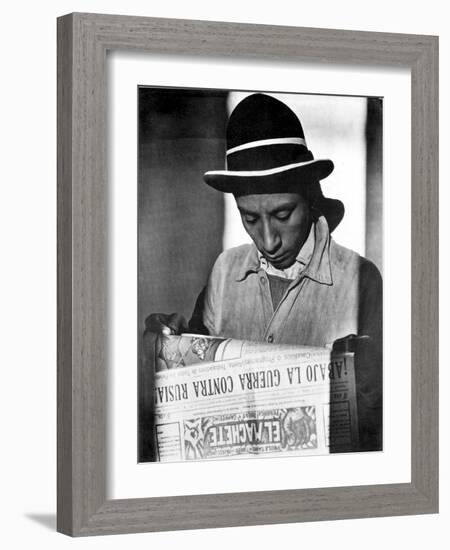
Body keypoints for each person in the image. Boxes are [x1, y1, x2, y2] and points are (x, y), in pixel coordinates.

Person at [144, 93, 382, 450]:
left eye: (283, 215)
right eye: (250, 218)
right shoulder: (224, 272)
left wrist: (371, 385)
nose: (268, 240)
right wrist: (171, 346)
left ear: (310, 197)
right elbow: (194, 385)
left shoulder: (360, 279)